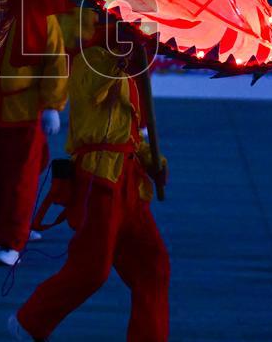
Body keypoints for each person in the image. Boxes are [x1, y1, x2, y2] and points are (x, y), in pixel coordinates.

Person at [9, 40, 170, 342]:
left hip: (129, 184)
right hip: (99, 180)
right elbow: (91, 90)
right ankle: (30, 322)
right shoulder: (89, 59)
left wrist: (154, 163)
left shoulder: (135, 75)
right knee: (91, 270)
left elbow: (132, 136)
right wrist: (121, 60)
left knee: (154, 266)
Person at [0, 15, 67, 267]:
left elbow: (55, 61)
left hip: (23, 112)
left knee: (21, 181)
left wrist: (52, 105)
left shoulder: (42, 18)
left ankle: (13, 242)